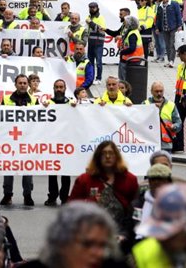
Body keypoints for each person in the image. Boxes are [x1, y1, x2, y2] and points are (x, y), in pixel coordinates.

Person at [69, 141, 139, 246]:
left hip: (121, 235)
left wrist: (127, 234)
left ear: (117, 156)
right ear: (97, 157)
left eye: (111, 153)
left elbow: (135, 210)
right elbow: (71, 208)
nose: (107, 156)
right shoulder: (84, 179)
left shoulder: (130, 179)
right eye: (103, 153)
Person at [0, 74, 36, 206]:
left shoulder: (33, 100)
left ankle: (28, 195)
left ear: (28, 85)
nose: (22, 85)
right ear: (15, 85)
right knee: (8, 169)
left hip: (27, 140)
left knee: (27, 169)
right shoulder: (6, 99)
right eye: (20, 83)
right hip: (10, 140)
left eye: (24, 83)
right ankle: (7, 195)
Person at [45, 79, 71, 207]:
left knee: (66, 171)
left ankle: (65, 197)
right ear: (53, 88)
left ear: (65, 88)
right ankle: (52, 196)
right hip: (52, 142)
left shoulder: (71, 103)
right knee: (52, 171)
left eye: (61, 87)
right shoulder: (47, 103)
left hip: (66, 142)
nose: (59, 89)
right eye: (57, 87)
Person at [132, 164, 174, 241]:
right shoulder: (138, 204)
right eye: (153, 179)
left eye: (160, 179)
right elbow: (128, 226)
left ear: (168, 182)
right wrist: (123, 236)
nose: (156, 182)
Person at [143, 82, 181, 152]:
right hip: (149, 144)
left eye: (161, 91)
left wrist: (174, 126)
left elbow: (178, 123)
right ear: (151, 91)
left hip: (166, 144)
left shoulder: (171, 105)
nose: (159, 93)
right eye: (156, 91)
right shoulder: (145, 104)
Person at [154, 0, 182, 68]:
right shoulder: (160, 6)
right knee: (167, 45)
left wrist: (180, 25)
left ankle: (171, 61)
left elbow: (178, 15)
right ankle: (169, 60)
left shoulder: (174, 4)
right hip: (164, 28)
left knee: (171, 44)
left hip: (173, 27)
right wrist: (157, 28)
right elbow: (158, 18)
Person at [118, 15, 144, 81]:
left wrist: (122, 52)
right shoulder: (134, 31)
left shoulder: (132, 34)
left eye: (126, 22)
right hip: (134, 58)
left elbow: (132, 48)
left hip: (131, 59)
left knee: (125, 79)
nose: (124, 23)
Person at [86, 2, 107, 84]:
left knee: (98, 61)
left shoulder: (100, 17)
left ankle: (99, 78)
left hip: (98, 42)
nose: (91, 9)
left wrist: (90, 23)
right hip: (91, 42)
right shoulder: (89, 17)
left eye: (93, 8)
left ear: (97, 8)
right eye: (90, 8)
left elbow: (101, 29)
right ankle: (91, 78)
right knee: (90, 62)